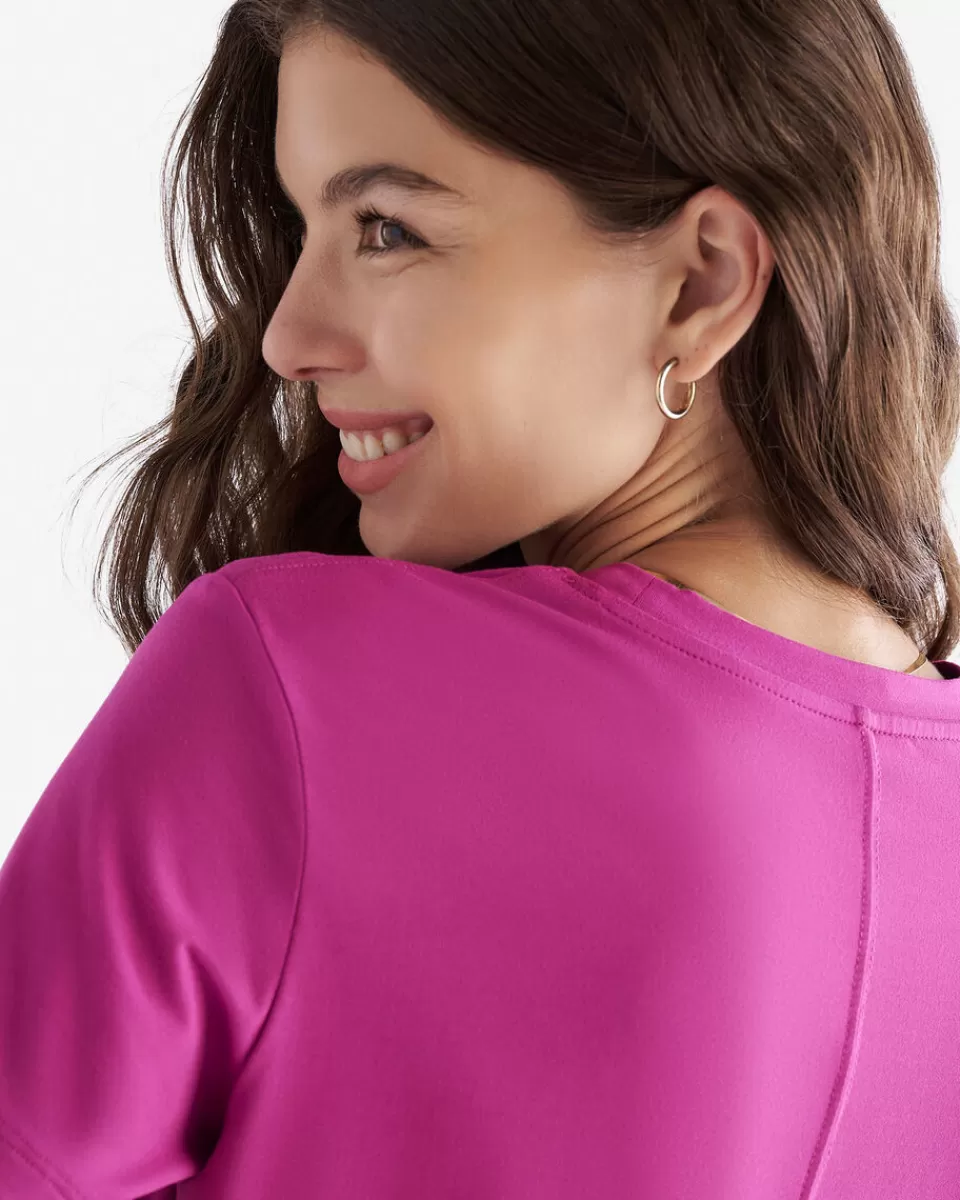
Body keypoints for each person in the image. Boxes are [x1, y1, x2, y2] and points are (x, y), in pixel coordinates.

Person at [3, 1, 960, 1196]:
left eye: (387, 228)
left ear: (700, 283)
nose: (290, 337)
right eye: (304, 230)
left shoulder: (293, 696)